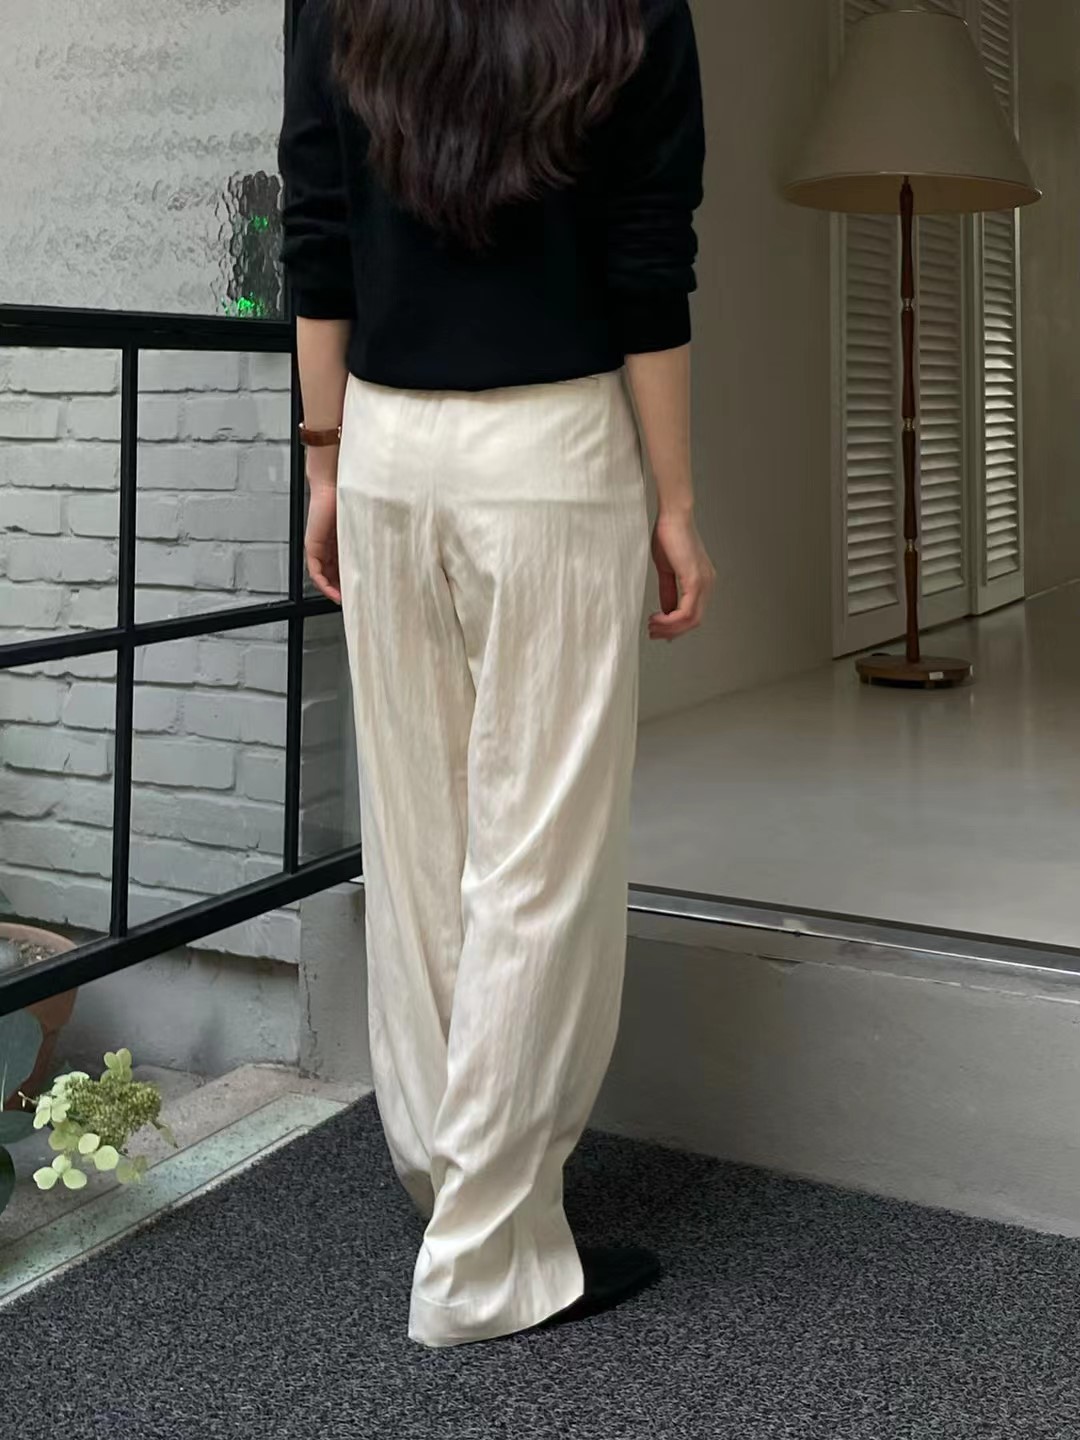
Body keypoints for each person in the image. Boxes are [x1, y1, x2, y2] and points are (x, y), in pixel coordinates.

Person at [277, 0, 714, 1349]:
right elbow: (649, 261)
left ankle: (447, 1173)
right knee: (539, 857)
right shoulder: (631, 4)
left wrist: (324, 459)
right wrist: (676, 501)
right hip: (553, 449)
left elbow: (316, 224)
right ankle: (486, 1258)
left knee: (420, 837)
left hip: (389, 445)